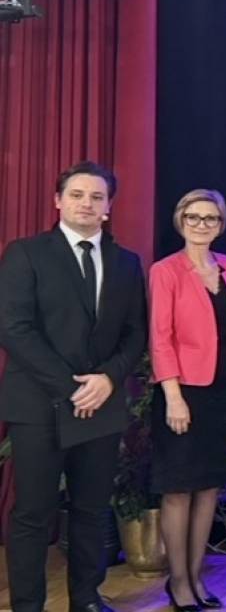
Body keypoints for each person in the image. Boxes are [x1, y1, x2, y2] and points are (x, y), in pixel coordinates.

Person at [0, 161, 147, 612]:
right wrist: (72, 387)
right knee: (33, 513)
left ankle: (85, 598)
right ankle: (28, 605)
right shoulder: (25, 253)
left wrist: (108, 379)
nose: (87, 203)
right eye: (77, 195)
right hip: (39, 405)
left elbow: (135, 334)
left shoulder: (126, 263)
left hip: (102, 403)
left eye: (97, 197)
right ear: (58, 201)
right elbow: (14, 329)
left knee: (91, 509)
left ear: (108, 207)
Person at [148, 189, 226, 611]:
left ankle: (196, 577)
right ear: (181, 221)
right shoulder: (165, 271)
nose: (201, 225)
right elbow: (160, 338)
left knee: (210, 487)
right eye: (193, 217)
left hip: (224, 390)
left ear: (221, 225)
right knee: (179, 489)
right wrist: (173, 396)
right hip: (183, 392)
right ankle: (177, 582)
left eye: (210, 218)